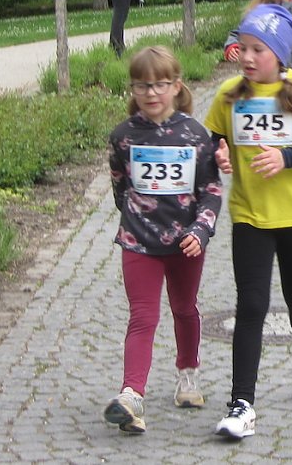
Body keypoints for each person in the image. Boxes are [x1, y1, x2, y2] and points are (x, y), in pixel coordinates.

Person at [207, 5, 292, 440]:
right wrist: (219, 153)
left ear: (280, 54)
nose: (246, 57)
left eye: (257, 49)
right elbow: (213, 141)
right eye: (243, 47)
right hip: (250, 214)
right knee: (252, 305)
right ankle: (241, 403)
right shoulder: (229, 94)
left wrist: (287, 157)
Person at [103, 46, 222, 433]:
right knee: (143, 316)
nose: (151, 93)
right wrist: (137, 222)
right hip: (139, 243)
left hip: (186, 244)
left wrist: (200, 229)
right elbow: (120, 187)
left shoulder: (195, 134)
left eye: (160, 85)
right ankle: (131, 394)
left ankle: (187, 375)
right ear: (133, 89)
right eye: (142, 85)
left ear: (176, 86)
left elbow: (211, 190)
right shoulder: (122, 137)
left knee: (185, 308)